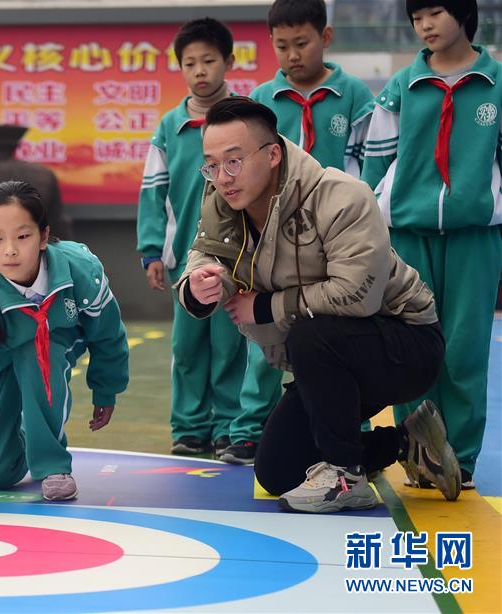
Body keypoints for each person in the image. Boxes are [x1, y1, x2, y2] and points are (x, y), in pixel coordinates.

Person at [176, 96, 460, 513]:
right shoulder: (224, 200)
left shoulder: (342, 195)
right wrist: (197, 285)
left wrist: (266, 306)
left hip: (404, 342)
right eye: (212, 165)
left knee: (312, 332)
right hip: (326, 358)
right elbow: (205, 254)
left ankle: (346, 476)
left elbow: (356, 297)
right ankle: (405, 443)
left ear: (273, 154)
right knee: (277, 471)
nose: (222, 176)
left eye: (233, 161)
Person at [224, 0, 376, 465]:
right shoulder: (261, 102)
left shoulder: (355, 97)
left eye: (302, 43)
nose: (292, 54)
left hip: (333, 234)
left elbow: (368, 165)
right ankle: (250, 428)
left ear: (325, 38)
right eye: (282, 45)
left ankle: (354, 424)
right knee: (263, 326)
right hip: (270, 236)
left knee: (336, 328)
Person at [362, 0, 500, 491]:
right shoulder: (401, 88)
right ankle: (420, 456)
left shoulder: (496, 84)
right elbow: (376, 162)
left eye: (434, 12)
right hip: (408, 236)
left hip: (475, 237)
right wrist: (368, 228)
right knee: (410, 347)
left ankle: (459, 460)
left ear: (463, 13)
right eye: (416, 16)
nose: (424, 25)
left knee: (464, 350)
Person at [0, 181, 129, 502]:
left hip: (55, 348)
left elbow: (108, 335)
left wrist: (105, 389)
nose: (9, 250)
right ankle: (27, 436)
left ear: (43, 237)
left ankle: (52, 464)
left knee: (36, 349)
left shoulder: (81, 271)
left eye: (23, 237)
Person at [136, 18, 246, 457]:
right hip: (186, 260)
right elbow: (152, 191)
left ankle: (229, 425)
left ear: (228, 62)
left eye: (209, 61)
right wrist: (151, 251)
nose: (199, 71)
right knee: (187, 346)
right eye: (189, 63)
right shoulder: (169, 127)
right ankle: (188, 427)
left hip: (237, 261)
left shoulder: (245, 119)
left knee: (230, 345)